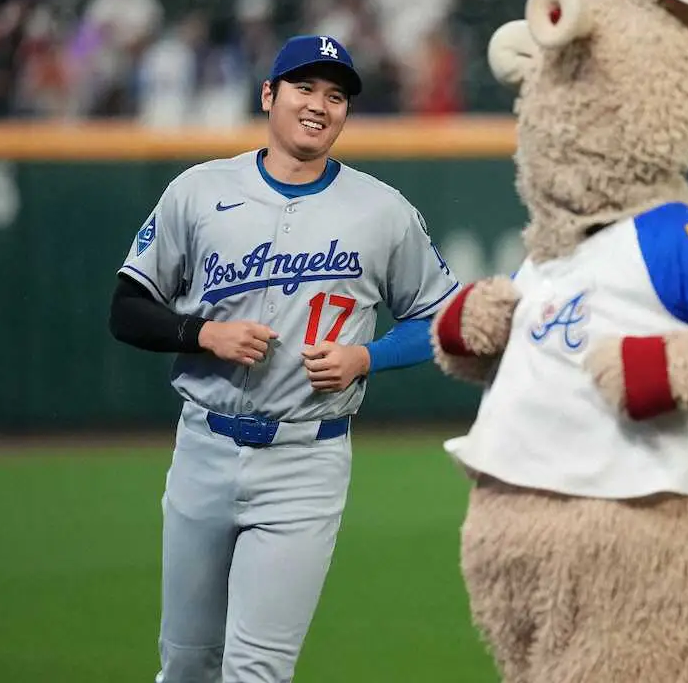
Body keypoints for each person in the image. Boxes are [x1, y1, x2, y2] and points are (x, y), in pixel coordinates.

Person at [108, 34, 460, 683]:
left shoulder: (382, 210)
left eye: (336, 96)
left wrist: (367, 356)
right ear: (268, 95)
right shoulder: (199, 190)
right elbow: (127, 309)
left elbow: (442, 314)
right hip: (204, 447)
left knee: (257, 671)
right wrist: (202, 335)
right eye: (304, 87)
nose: (319, 105)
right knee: (186, 665)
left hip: (306, 459)